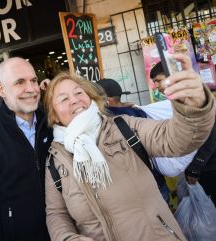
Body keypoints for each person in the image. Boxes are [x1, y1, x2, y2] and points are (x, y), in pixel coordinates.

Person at [43, 53, 215, 241]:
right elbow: (56, 213)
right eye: (63, 99)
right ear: (54, 115)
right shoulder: (56, 159)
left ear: (90, 98)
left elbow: (176, 139)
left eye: (78, 93)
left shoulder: (124, 126)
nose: (74, 100)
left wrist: (194, 105)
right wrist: (67, 238)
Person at [0, 57, 53, 241]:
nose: (31, 89)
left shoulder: (53, 123)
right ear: (1, 90)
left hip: (61, 233)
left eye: (34, 80)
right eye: (19, 82)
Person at [145, 61, 216, 205]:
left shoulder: (194, 99)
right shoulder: (175, 102)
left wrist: (196, 167)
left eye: (158, 80)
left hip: (209, 166)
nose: (156, 86)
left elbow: (211, 136)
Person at [97, 78, 170, 203]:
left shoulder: (105, 120)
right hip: (156, 180)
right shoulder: (139, 112)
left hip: (134, 191)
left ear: (106, 100)